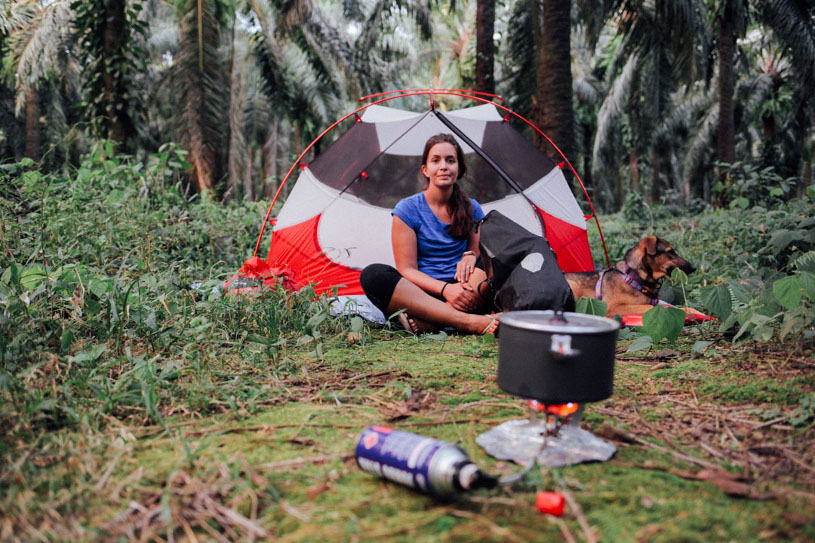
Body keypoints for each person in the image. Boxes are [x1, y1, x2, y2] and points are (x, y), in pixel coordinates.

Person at [360, 133, 499, 335]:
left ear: (458, 168)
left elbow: (481, 256)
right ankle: (467, 321)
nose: (443, 166)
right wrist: (446, 290)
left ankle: (432, 321)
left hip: (467, 292)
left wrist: (470, 256)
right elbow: (407, 269)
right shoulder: (407, 209)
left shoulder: (472, 208)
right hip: (422, 296)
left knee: (499, 257)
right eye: (436, 160)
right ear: (425, 169)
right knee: (373, 275)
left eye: (450, 160)